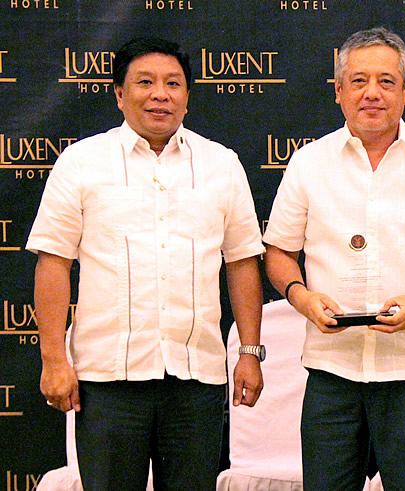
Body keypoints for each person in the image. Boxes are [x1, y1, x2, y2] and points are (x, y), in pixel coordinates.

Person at [27, 37, 266, 490]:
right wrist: (54, 359)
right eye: (145, 82)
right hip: (107, 380)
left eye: (173, 83)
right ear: (119, 93)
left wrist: (249, 354)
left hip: (196, 379)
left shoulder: (222, 165)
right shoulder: (81, 163)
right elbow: (54, 262)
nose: (161, 94)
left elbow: (241, 263)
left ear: (187, 95)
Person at [263, 27, 405, 490]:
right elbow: (279, 252)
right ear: (339, 91)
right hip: (331, 369)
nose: (372, 94)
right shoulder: (309, 162)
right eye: (359, 81)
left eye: (386, 82)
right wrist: (301, 297)